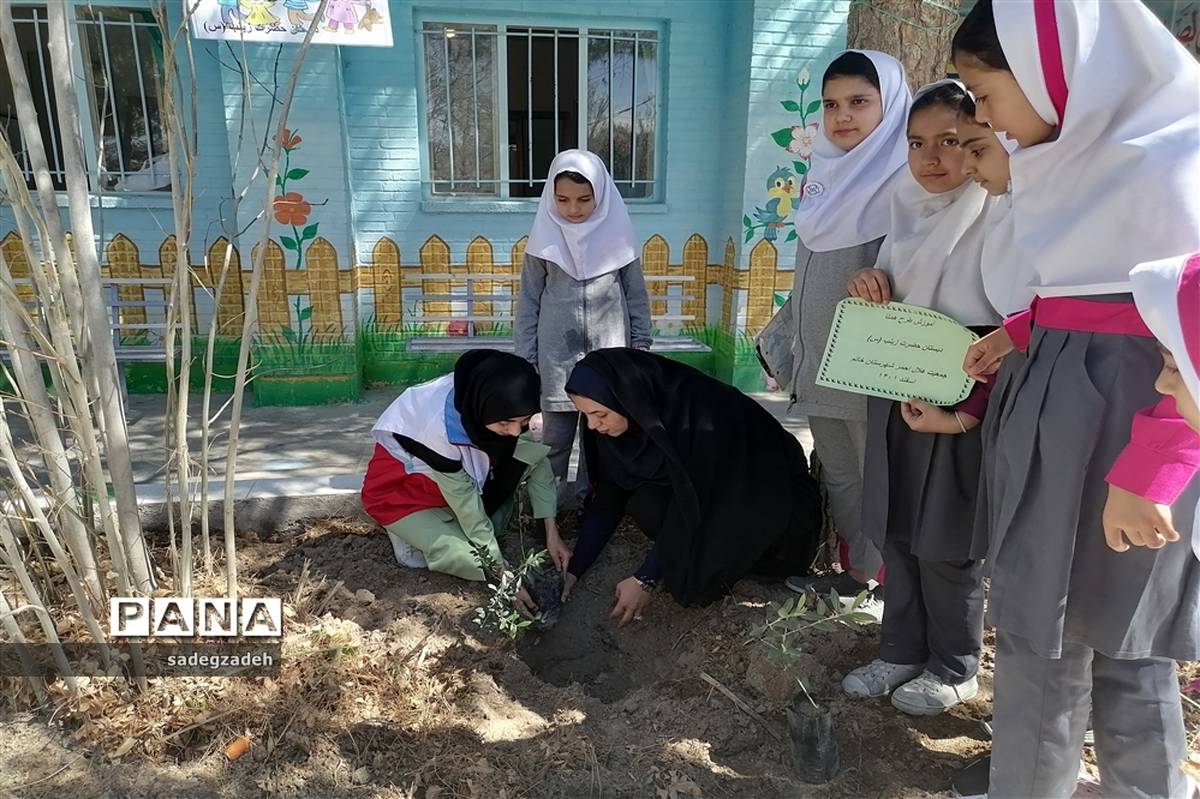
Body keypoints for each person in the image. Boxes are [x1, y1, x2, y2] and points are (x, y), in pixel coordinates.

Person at [952, 1, 1200, 796]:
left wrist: (1155, 465)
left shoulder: (1175, 161)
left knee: (1131, 641)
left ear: (1055, 67)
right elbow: (1094, 288)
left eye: (985, 92)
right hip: (1057, 408)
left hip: (1135, 426)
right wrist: (1025, 329)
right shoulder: (1067, 159)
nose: (982, 117)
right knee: (1037, 630)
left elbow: (1184, 327)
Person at [839, 80, 998, 716]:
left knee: (948, 540)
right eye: (917, 143)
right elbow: (889, 299)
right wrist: (870, 281)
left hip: (960, 410)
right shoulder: (903, 214)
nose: (932, 158)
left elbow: (1010, 331)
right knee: (899, 530)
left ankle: (956, 666)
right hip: (898, 404)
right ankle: (900, 650)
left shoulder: (998, 221)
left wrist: (962, 417)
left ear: (982, 145)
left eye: (952, 142)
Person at [557, 348, 824, 623]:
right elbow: (608, 500)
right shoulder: (618, 424)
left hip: (761, 498)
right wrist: (574, 570)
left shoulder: (698, 414)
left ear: (627, 399)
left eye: (599, 414)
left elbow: (702, 496)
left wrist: (645, 579)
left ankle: (746, 564)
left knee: (694, 580)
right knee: (646, 505)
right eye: (585, 415)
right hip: (708, 494)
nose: (592, 425)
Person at [784, 50, 912, 600]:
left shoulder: (909, 183)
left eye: (860, 101)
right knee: (841, 474)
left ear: (892, 103)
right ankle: (856, 575)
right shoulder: (823, 180)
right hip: (818, 362)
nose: (842, 116)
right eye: (831, 104)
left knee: (879, 474)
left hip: (872, 367)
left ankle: (890, 587)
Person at [361, 350, 570, 613]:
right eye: (507, 423)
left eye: (524, 421)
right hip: (403, 495)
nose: (516, 431)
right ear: (482, 408)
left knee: (492, 529)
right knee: (470, 559)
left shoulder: (501, 403)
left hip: (452, 487)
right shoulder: (437, 429)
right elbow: (468, 507)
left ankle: (444, 525)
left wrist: (552, 533)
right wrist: (503, 575)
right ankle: (408, 536)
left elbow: (537, 464)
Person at [516, 150, 652, 511]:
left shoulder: (619, 237)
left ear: (601, 195)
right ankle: (546, 513)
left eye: (584, 199)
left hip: (609, 359)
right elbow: (529, 298)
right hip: (555, 358)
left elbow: (636, 295)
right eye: (562, 200)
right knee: (554, 443)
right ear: (550, 197)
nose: (573, 209)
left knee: (599, 441)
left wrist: (640, 346)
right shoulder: (543, 240)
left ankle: (591, 509)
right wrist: (528, 355)